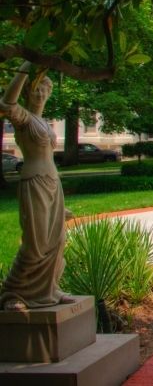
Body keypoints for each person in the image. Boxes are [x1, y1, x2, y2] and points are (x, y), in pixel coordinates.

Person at [0, 62, 73, 310]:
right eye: (36, 90)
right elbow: (6, 104)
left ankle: (49, 289)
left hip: (53, 182)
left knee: (57, 240)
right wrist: (24, 67)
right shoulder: (23, 119)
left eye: (45, 90)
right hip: (34, 181)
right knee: (35, 243)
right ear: (27, 93)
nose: (41, 94)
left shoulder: (43, 123)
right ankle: (13, 292)